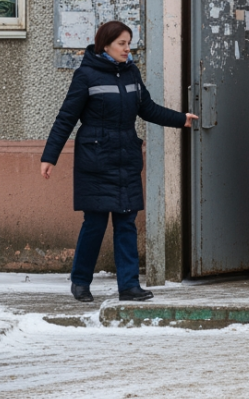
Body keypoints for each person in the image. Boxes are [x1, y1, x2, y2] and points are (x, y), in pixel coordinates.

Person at [41, 21, 198, 302]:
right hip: (96, 160)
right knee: (95, 223)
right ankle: (80, 281)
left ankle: (129, 285)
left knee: (126, 222)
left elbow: (146, 108)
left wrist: (180, 119)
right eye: (122, 44)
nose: (128, 49)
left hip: (126, 157)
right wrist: (49, 156)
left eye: (129, 43)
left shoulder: (131, 73)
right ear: (105, 46)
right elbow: (66, 117)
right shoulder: (86, 75)